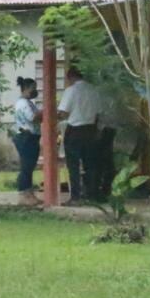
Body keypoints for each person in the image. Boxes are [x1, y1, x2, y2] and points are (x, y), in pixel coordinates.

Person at [58, 66, 102, 205]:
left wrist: (57, 117)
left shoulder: (71, 91)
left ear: (70, 77)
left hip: (75, 129)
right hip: (90, 128)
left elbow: (63, 112)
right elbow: (98, 113)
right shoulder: (93, 90)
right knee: (91, 164)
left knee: (73, 165)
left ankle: (76, 197)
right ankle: (92, 194)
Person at [12, 77, 41, 207]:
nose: (35, 91)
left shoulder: (29, 102)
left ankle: (29, 193)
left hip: (31, 136)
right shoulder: (23, 103)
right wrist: (45, 112)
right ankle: (23, 193)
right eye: (33, 88)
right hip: (26, 137)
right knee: (26, 166)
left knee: (29, 166)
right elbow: (32, 117)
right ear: (26, 89)